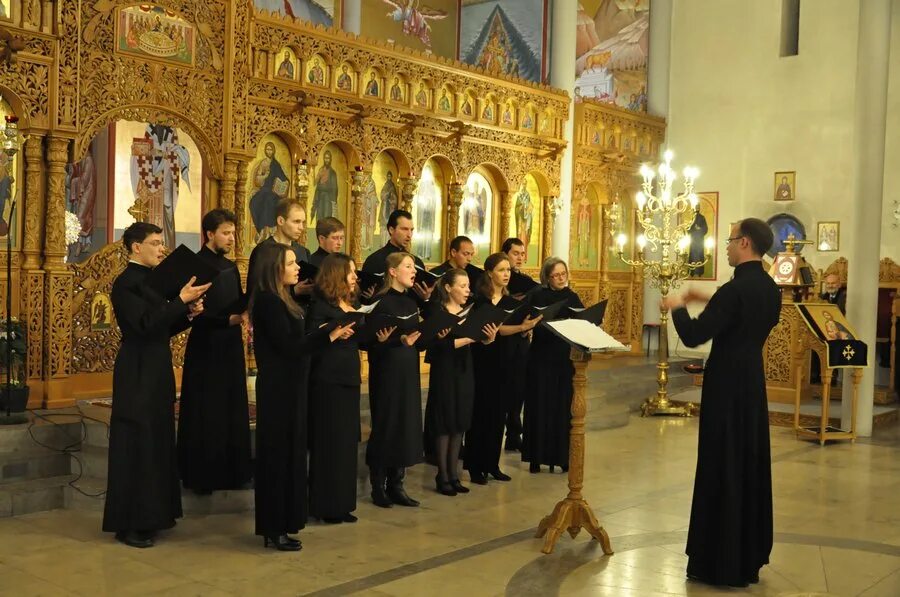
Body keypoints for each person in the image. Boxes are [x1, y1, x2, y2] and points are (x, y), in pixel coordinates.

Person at [662, 218, 781, 588]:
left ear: (744, 243)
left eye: (729, 241)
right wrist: (709, 298)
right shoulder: (771, 288)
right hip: (751, 381)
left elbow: (696, 335)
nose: (725, 247)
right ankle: (747, 556)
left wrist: (676, 306)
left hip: (726, 384)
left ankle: (720, 561)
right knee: (746, 462)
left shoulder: (734, 291)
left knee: (721, 462)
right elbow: (742, 313)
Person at [103, 223, 209, 548]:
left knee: (158, 440)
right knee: (137, 443)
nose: (161, 249)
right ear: (136, 247)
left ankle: (156, 516)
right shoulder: (125, 285)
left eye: (162, 243)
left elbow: (161, 327)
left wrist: (187, 314)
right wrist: (179, 300)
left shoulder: (151, 281)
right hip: (136, 371)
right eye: (155, 243)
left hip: (157, 366)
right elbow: (144, 326)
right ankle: (130, 524)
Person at [250, 242, 354, 551]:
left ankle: (287, 521)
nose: (299, 267)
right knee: (277, 458)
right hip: (278, 388)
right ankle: (273, 527)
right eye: (292, 263)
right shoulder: (268, 302)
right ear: (274, 268)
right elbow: (288, 348)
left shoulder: (286, 299)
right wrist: (328, 334)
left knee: (292, 456)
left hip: (292, 385)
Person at [177, 210, 251, 496]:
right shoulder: (194, 265)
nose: (231, 239)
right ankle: (202, 475)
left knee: (232, 405)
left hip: (231, 343)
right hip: (207, 344)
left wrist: (244, 310)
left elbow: (235, 300)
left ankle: (234, 471)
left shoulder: (231, 267)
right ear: (209, 234)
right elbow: (192, 312)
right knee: (206, 409)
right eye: (225, 233)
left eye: (233, 233)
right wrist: (225, 320)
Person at [464, 253, 541, 484]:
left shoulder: (512, 303)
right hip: (482, 361)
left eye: (508, 270)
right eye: (501, 270)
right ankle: (476, 466)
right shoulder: (479, 301)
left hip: (505, 362)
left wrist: (526, 329)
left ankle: (492, 464)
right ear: (489, 273)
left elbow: (512, 330)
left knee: (499, 415)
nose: (506, 274)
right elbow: (494, 329)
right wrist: (520, 327)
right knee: (480, 414)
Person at [424, 269, 499, 496]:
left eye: (468, 286)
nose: (468, 291)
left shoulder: (470, 311)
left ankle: (454, 475)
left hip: (465, 369)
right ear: (448, 288)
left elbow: (478, 339)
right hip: (445, 371)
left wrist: (488, 338)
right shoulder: (437, 311)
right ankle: (442, 475)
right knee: (445, 422)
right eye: (463, 286)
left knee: (460, 422)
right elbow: (435, 348)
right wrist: (469, 338)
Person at [364, 252, 424, 507]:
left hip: (408, 370)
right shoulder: (380, 302)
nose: (414, 271)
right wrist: (389, 341)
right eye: (408, 267)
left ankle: (397, 484)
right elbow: (368, 342)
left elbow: (418, 340)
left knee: (405, 426)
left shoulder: (412, 303)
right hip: (387, 372)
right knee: (386, 426)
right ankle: (378, 486)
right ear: (392, 271)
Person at [308, 253, 362, 524]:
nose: (355, 277)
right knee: (329, 442)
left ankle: (343, 503)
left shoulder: (353, 303)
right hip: (328, 380)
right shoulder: (320, 305)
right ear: (336, 275)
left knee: (346, 442)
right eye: (350, 272)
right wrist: (334, 332)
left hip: (350, 376)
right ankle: (324, 504)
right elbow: (312, 340)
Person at [521, 257, 583, 474]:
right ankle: (535, 458)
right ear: (547, 277)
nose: (560, 278)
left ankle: (561, 458)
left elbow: (583, 322)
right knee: (539, 406)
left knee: (562, 407)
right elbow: (524, 319)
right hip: (540, 357)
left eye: (563, 274)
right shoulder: (536, 295)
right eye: (556, 275)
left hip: (563, 359)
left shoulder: (571, 296)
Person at [501, 237, 535, 451]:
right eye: (516, 253)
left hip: (521, 340)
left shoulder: (527, 282)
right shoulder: (497, 280)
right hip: (502, 341)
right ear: (505, 254)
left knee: (518, 389)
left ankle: (514, 433)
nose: (520, 257)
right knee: (503, 388)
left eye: (523, 254)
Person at [247, 199, 312, 301]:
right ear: (281, 221)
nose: (301, 227)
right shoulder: (263, 251)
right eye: (296, 222)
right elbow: (255, 292)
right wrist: (294, 291)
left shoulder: (303, 251)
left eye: (303, 222)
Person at [362, 209, 431, 304]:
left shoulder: (417, 262)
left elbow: (421, 301)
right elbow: (365, 297)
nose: (409, 235)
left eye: (411, 230)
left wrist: (426, 297)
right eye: (404, 229)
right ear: (391, 230)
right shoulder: (375, 260)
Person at [248, 142, 290, 240]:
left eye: (271, 149)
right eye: (267, 149)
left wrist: (284, 184)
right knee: (254, 202)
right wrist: (265, 176)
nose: (269, 152)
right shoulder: (264, 163)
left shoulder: (276, 164)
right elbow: (257, 180)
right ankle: (262, 229)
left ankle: (270, 231)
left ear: (274, 151)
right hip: (265, 189)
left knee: (270, 201)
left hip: (275, 192)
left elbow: (283, 178)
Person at [311, 150, 339, 224]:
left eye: (328, 158)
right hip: (320, 198)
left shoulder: (332, 173)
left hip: (328, 199)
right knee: (319, 218)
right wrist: (313, 170)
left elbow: (334, 189)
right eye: (325, 158)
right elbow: (314, 183)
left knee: (326, 218)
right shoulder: (321, 170)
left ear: (330, 159)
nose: (326, 160)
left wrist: (324, 187)